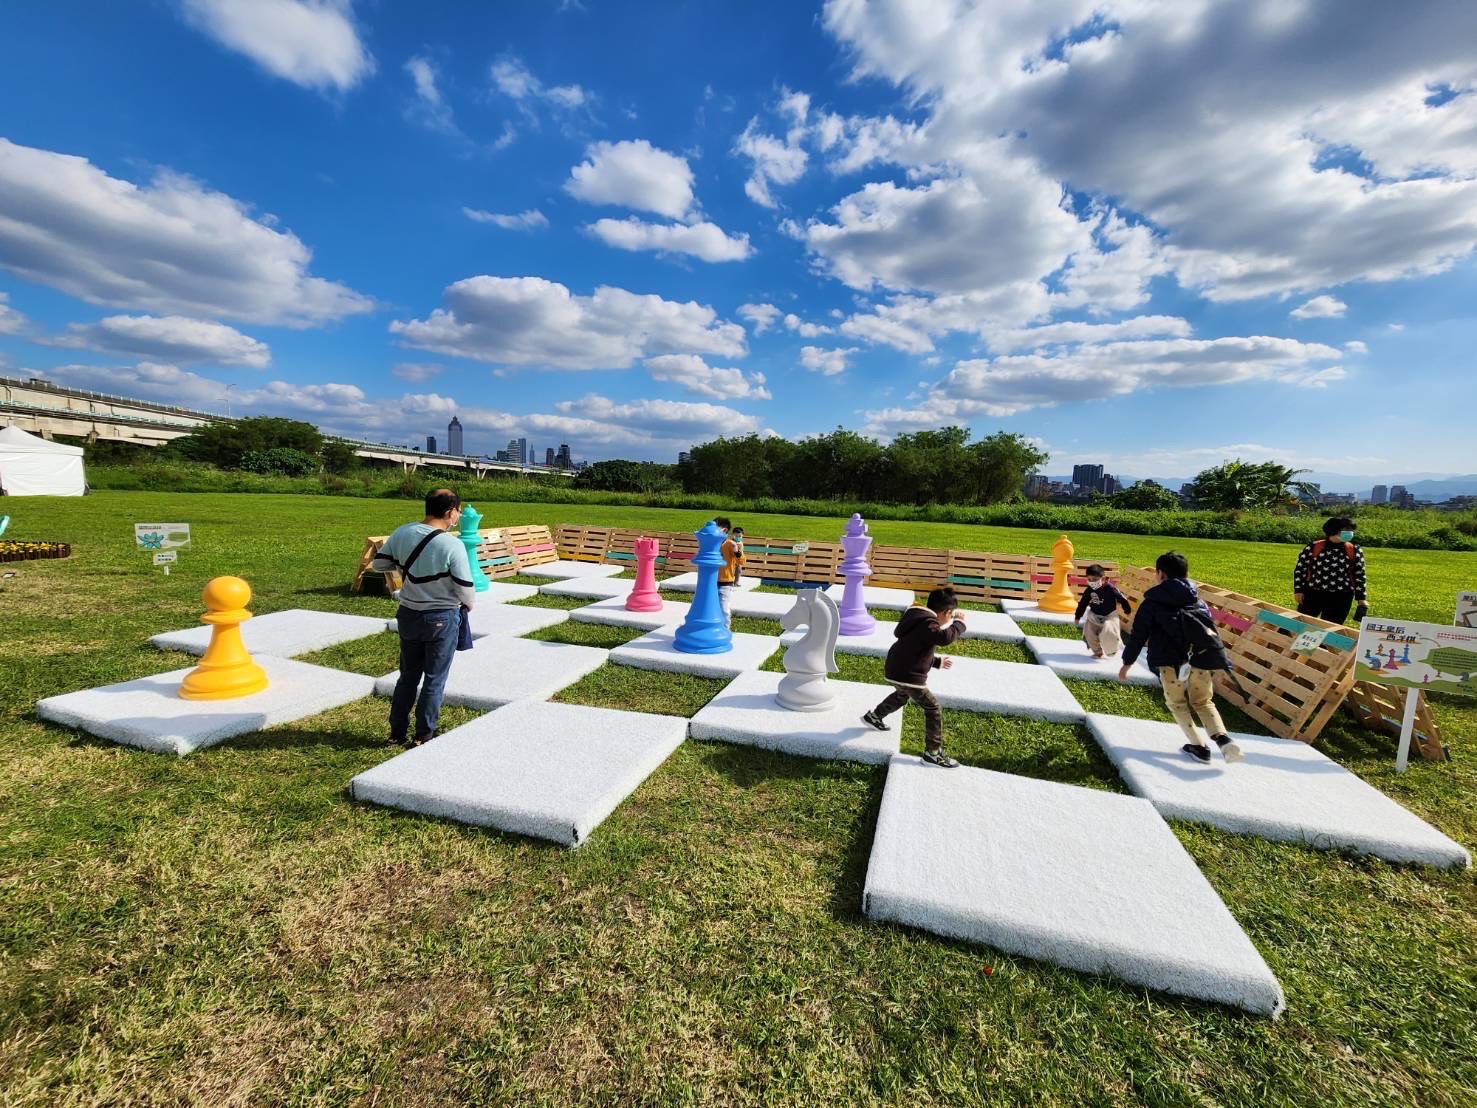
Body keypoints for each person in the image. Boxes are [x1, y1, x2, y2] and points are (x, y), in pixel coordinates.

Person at [370, 488, 476, 747]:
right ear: (450, 511)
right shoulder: (451, 544)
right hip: (441, 616)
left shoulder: (403, 532)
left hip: (408, 613)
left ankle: (396, 733)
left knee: (407, 675)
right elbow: (464, 585)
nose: (458, 517)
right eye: (458, 513)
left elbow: (379, 564)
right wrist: (469, 604)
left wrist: (407, 568)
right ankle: (423, 734)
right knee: (434, 678)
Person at [1118, 552, 1242, 764]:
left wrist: (1126, 663)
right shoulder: (1197, 599)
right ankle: (1223, 739)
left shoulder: (1153, 601)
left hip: (1171, 663)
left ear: (1160, 574)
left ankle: (1199, 747)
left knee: (1177, 703)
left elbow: (1139, 635)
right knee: (1203, 701)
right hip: (1201, 660)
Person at [862, 587, 967, 768]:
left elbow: (916, 649)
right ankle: (932, 753)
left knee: (903, 694)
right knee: (933, 708)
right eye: (950, 616)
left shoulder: (916, 619)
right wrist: (959, 624)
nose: (948, 620)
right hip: (908, 674)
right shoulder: (928, 623)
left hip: (896, 669)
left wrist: (936, 662)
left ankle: (875, 716)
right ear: (946, 612)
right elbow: (944, 638)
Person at [1293, 516, 1369, 624]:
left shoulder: (1354, 549)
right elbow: (1300, 569)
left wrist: (1361, 598)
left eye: (1351, 530)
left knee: (1332, 628)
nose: (1350, 533)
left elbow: (1359, 574)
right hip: (1313, 594)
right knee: (1302, 623)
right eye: (1346, 530)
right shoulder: (1314, 547)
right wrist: (1298, 590)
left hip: (1342, 596)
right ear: (1333, 530)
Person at [1075, 563, 1132, 658]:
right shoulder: (1089, 590)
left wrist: (1127, 610)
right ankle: (1097, 651)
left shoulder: (1110, 588)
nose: (1092, 582)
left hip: (1110, 615)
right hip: (1094, 615)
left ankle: (1112, 650)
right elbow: (1083, 603)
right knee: (1089, 632)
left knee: (1108, 630)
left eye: (1095, 579)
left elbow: (1122, 599)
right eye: (1089, 579)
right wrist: (1078, 616)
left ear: (1103, 578)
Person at [715, 516, 745, 628]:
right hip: (711, 582)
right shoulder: (711, 544)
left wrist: (738, 551)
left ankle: (725, 630)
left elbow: (741, 561)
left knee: (724, 609)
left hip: (725, 583)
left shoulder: (730, 544)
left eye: (717, 527)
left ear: (724, 530)